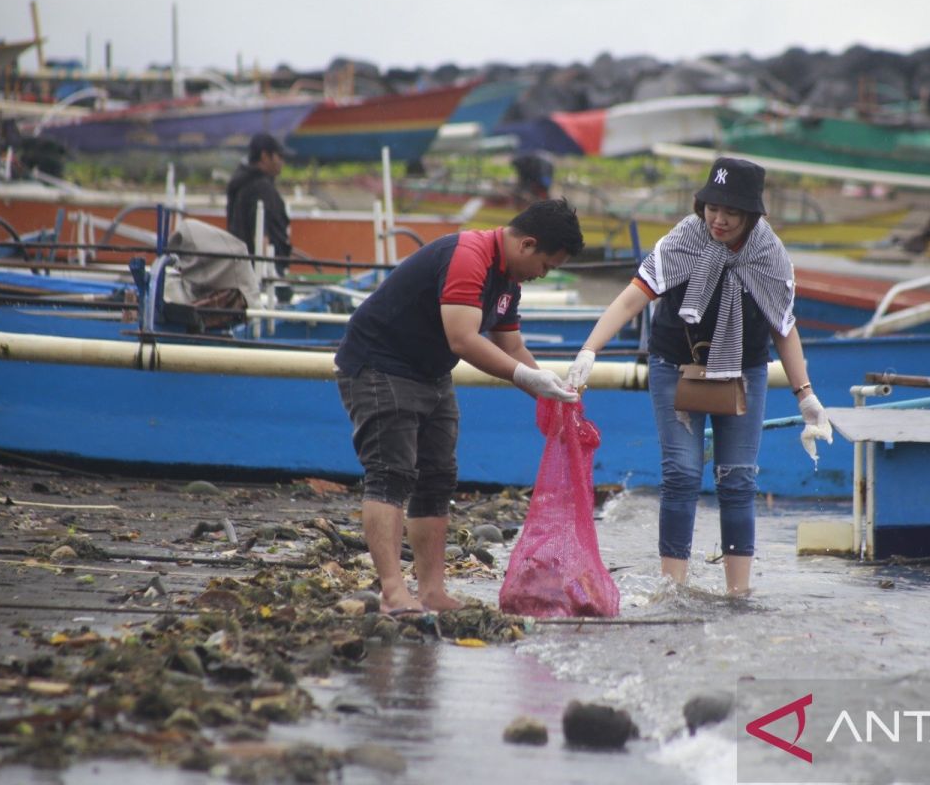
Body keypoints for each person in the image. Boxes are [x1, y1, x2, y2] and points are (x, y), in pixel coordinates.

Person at [566, 158, 831, 595]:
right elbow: (632, 299)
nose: (719, 219)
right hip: (675, 364)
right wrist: (589, 350)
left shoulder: (769, 254)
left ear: (752, 215)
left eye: (732, 212)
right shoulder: (684, 239)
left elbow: (784, 327)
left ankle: (738, 594)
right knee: (682, 474)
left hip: (743, 370)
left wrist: (806, 397)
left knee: (738, 477)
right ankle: (673, 588)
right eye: (712, 207)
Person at [334, 199, 584, 614]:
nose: (543, 275)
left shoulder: (508, 281)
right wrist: (525, 378)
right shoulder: (470, 257)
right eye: (547, 265)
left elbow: (511, 344)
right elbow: (464, 339)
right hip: (380, 364)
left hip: (430, 372)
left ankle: (431, 591)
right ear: (528, 244)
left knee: (437, 478)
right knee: (391, 474)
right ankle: (394, 592)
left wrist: (550, 392)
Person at [226, 132, 294, 304]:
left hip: (241, 269)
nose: (282, 162)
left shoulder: (240, 183)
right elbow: (261, 236)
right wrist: (273, 278)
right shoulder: (261, 188)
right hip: (259, 273)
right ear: (265, 156)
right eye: (279, 156)